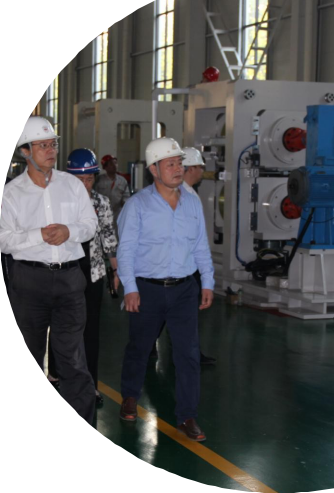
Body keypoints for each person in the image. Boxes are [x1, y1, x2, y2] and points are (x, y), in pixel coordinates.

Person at [0, 116, 97, 425]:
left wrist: (69, 231)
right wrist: (38, 236)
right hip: (29, 282)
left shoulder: (72, 185)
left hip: (70, 280)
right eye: (42, 145)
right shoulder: (11, 194)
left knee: (73, 360)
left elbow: (90, 225)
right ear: (25, 152)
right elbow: (3, 239)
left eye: (52, 144)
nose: (51, 150)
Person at [117, 137, 214, 442]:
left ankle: (187, 416)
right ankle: (129, 396)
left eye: (179, 162)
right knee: (139, 348)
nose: (177, 168)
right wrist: (130, 288)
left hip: (184, 289)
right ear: (154, 169)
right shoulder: (138, 205)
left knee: (188, 354)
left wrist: (207, 281)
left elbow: (200, 246)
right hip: (148, 289)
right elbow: (126, 250)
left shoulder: (192, 203)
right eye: (170, 163)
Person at [47, 149, 120, 405]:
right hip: (64, 271)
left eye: (89, 179)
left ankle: (91, 385)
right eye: (79, 179)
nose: (85, 184)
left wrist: (115, 269)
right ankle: (54, 372)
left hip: (93, 272)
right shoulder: (56, 203)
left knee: (90, 329)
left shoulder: (101, 203)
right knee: (60, 323)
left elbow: (108, 236)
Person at [182, 147, 216, 365]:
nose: (203, 171)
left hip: (189, 263)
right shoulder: (184, 195)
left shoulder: (189, 193)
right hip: (186, 265)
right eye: (200, 167)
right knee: (185, 313)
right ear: (191, 168)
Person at [94, 154, 130, 225]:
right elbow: (93, 195)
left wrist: (125, 205)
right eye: (111, 164)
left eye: (116, 163)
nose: (114, 166)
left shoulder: (122, 181)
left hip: (118, 214)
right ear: (105, 167)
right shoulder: (99, 180)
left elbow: (126, 197)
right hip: (102, 214)